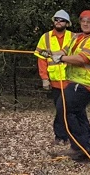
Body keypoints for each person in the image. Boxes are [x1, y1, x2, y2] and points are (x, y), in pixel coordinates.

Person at [51, 9, 90, 164]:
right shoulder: (78, 37)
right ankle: (82, 148)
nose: (86, 24)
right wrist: (53, 54)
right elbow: (65, 50)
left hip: (85, 84)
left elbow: (83, 59)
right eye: (83, 21)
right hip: (74, 83)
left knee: (65, 110)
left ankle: (82, 149)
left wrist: (61, 58)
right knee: (76, 113)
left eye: (89, 22)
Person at [34, 9, 74, 151]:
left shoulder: (73, 37)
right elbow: (41, 59)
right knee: (59, 109)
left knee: (70, 109)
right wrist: (44, 78)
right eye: (56, 19)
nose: (58, 22)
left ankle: (72, 135)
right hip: (56, 81)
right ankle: (60, 136)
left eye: (62, 20)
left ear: (67, 23)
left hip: (71, 80)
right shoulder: (45, 38)